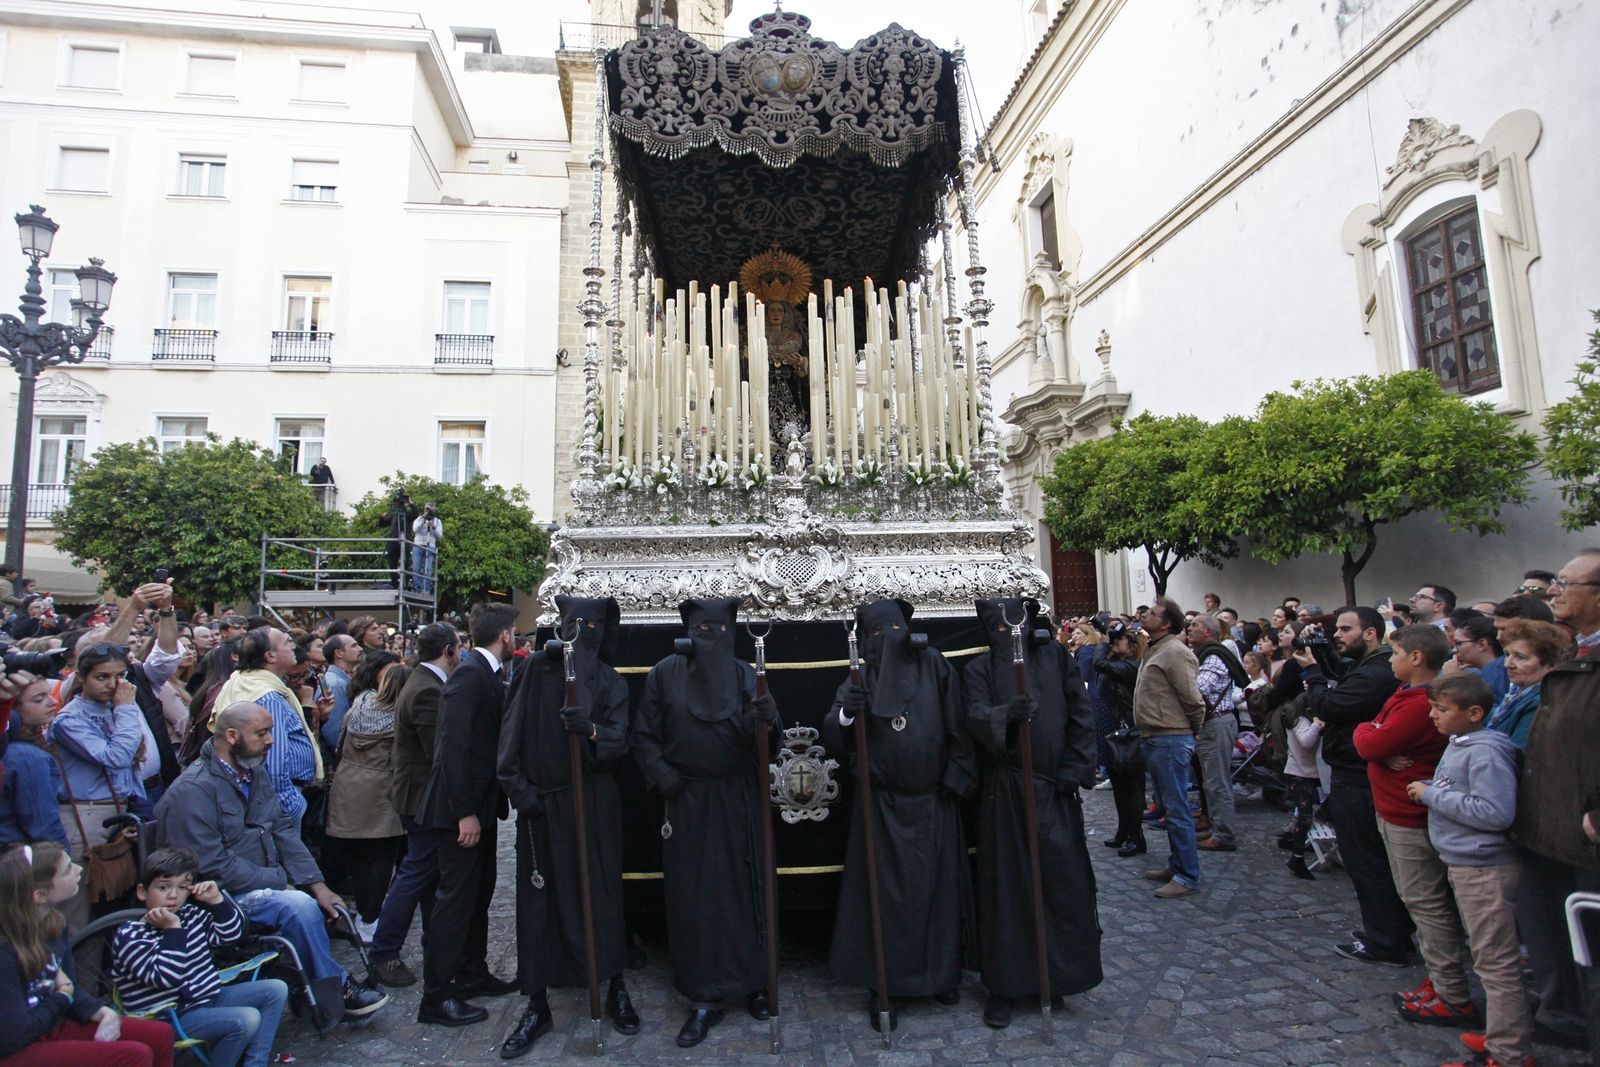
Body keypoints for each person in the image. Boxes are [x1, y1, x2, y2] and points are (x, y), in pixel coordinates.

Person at [154, 701, 388, 1034]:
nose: (270, 741)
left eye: (270, 732)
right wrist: (280, 882)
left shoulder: (252, 770)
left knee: (318, 901)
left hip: (258, 880)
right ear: (232, 736)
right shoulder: (193, 791)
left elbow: (281, 828)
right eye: (261, 733)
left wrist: (318, 885)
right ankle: (336, 987)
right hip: (216, 897)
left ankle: (315, 984)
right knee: (297, 906)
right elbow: (210, 864)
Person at [496, 596, 637, 1058]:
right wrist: (521, 792)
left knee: (600, 895)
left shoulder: (611, 680)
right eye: (576, 622)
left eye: (594, 624)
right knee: (540, 902)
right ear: (562, 625)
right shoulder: (535, 670)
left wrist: (591, 730)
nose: (584, 631)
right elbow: (510, 735)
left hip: (593, 803)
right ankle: (537, 1002)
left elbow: (619, 739)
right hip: (543, 804)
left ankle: (612, 983)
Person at [823, 600, 973, 1030]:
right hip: (882, 806)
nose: (887, 637)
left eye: (895, 627)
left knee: (937, 895)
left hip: (932, 801)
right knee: (885, 901)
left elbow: (957, 727)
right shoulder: (861, 676)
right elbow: (835, 730)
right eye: (876, 631)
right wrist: (850, 711)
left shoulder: (936, 667)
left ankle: (939, 976)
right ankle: (884, 983)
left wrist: (954, 781)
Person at [632, 597, 775, 1048]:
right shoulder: (663, 675)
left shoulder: (746, 675)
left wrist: (768, 722)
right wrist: (663, 775)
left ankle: (753, 983)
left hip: (737, 798)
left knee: (743, 889)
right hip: (687, 801)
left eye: (719, 630)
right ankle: (703, 996)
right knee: (696, 897)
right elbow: (644, 736)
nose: (710, 637)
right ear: (687, 630)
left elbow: (764, 741)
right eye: (702, 629)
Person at [963, 596, 1100, 1025]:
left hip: (1053, 790)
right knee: (1007, 889)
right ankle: (1005, 986)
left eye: (1014, 626)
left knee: (1060, 883)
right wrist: (1004, 715)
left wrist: (1074, 768)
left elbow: (1081, 713)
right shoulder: (979, 669)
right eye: (1001, 630)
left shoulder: (1056, 658)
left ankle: (1052, 977)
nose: (1010, 636)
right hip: (1005, 792)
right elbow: (974, 715)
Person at [1353, 624, 1473, 1025]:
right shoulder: (1407, 695)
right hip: (1395, 808)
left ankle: (1450, 991)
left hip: (1408, 815)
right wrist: (1377, 744)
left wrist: (1372, 741)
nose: (1390, 660)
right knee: (1418, 900)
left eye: (1396, 653)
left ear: (1416, 657)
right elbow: (1376, 738)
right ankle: (1440, 980)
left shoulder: (1420, 701)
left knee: (1425, 902)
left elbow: (1369, 740)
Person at [1407, 674, 1529, 1067]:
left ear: (1474, 713)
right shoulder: (1462, 744)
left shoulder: (1486, 751)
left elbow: (1494, 812)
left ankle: (1509, 1054)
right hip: (1466, 862)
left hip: (1484, 867)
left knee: (1497, 964)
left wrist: (1432, 795)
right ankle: (1501, 1035)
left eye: (1442, 710)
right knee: (1488, 959)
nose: (1433, 716)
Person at [1512, 548, 1600, 1057]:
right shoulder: (1574, 652)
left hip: (1585, 832)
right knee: (1547, 929)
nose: (1553, 591)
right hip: (1548, 823)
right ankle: (1563, 1014)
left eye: (1566, 583)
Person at [415, 604, 520, 1027]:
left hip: (479, 807)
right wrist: (464, 814)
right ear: (507, 636)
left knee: (478, 894)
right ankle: (436, 996)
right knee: (455, 902)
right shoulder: (470, 675)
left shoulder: (484, 672)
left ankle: (472, 973)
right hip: (460, 813)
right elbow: (452, 750)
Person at [1297, 606, 1412, 964]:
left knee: (1367, 861)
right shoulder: (1368, 667)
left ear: (1371, 634)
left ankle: (1386, 941)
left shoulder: (1376, 673)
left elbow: (1330, 705)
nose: (1337, 635)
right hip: (1353, 770)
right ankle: (1387, 932)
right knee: (1369, 861)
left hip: (1358, 777)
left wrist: (1312, 672)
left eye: (1346, 629)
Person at [109, 847, 288, 1067]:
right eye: (163, 887)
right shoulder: (131, 936)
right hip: (169, 1016)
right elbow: (166, 978)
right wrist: (172, 930)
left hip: (205, 998)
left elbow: (231, 935)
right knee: (246, 1019)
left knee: (276, 989)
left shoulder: (190, 916)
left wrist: (217, 901)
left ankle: (255, 1064)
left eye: (182, 887)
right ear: (143, 892)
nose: (173, 895)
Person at [0, 842, 176, 1067]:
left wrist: (101, 1011)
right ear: (40, 895)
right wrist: (62, 996)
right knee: (134, 1055)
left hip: (50, 1022)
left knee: (160, 1035)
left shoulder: (54, 924)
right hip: (17, 1047)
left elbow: (72, 986)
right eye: (67, 870)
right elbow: (13, 1037)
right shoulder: (6, 952)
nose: (79, 869)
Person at [368, 623, 459, 988]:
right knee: (415, 873)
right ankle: (384, 951)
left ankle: (429, 945)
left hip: (420, 796)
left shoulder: (424, 682)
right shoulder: (425, 689)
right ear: (449, 650)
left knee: (425, 872)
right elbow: (438, 750)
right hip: (421, 798)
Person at [206, 628, 325, 823]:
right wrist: (291, 807)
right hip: (280, 802)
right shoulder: (267, 696)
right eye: (287, 642)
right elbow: (273, 763)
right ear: (270, 656)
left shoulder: (249, 682)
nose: (294, 646)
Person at [324, 663, 408, 941]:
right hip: (380, 793)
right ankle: (370, 918)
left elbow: (338, 742)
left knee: (360, 857)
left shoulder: (359, 705)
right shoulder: (399, 718)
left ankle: (364, 913)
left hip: (349, 786)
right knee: (379, 860)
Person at [1131, 597, 1204, 898]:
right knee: (1169, 806)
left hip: (1171, 737)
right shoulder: (1155, 648)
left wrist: (1191, 732)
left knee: (1177, 810)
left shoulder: (1175, 652)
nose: (1145, 614)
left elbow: (1192, 698)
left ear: (1166, 623)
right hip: (1157, 736)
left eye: (1152, 613)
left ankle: (1187, 875)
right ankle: (1177, 865)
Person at [1186, 614, 1247, 853]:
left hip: (1217, 723)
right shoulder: (1206, 653)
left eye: (1195, 625)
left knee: (1217, 782)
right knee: (1211, 780)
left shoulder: (1213, 656)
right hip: (1212, 723)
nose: (1189, 628)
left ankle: (1224, 834)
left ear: (1209, 632)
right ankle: (1217, 827)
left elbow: (1198, 689)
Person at [1092, 621, 1147, 857]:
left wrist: (1104, 643)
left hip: (1127, 731)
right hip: (1112, 729)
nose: (1114, 643)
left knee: (1132, 787)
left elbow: (1098, 663)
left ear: (1133, 647)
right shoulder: (1118, 664)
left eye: (1119, 640)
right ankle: (1123, 830)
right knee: (1119, 784)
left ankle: (1137, 836)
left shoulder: (1131, 666)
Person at [0, 674, 67, 848]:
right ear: (11, 708)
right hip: (23, 857)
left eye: (49, 693)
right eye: (39, 699)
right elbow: (43, 823)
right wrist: (62, 860)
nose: (52, 702)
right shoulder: (26, 757)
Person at [1485, 618, 1568, 747]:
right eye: (1507, 654)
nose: (1508, 664)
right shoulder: (1519, 690)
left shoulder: (1543, 702)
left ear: (1552, 664)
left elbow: (1515, 755)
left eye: (1520, 657)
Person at [1450, 615, 1508, 702]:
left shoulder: (1495, 671)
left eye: (1459, 643)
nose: (1454, 650)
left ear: (1482, 644)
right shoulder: (1494, 670)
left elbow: (1496, 712)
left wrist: (1454, 678)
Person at [317, 635, 358, 751]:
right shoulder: (334, 684)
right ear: (339, 653)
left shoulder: (342, 680)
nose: (359, 649)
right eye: (354, 646)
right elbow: (334, 731)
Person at [411, 503, 442, 596]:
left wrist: (434, 527)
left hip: (430, 546)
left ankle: (426, 589)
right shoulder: (419, 518)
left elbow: (440, 535)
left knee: (428, 569)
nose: (429, 511)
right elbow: (415, 529)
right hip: (418, 545)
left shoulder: (437, 521)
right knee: (416, 568)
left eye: (431, 509)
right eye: (427, 509)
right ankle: (416, 589)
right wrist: (423, 519)